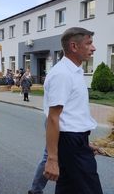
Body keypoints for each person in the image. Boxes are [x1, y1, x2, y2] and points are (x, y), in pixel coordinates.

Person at [43, 27, 103, 193]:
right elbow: (53, 118)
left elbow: (71, 114)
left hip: (75, 142)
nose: (93, 48)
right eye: (89, 43)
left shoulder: (74, 71)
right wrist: (52, 159)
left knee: (68, 189)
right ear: (74, 46)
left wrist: (83, 143)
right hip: (70, 143)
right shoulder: (62, 74)